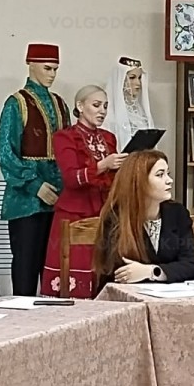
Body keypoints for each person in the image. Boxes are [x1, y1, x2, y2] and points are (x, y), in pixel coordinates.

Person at [93, 150, 194, 386]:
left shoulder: (177, 214)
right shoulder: (116, 216)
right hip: (129, 313)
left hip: (171, 308)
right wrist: (154, 273)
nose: (169, 180)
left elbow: (190, 265)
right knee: (139, 351)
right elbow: (117, 272)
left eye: (168, 173)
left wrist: (151, 271)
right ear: (140, 181)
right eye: (160, 175)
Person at [0, 43, 72, 296]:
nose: (52, 74)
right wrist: (34, 185)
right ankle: (22, 315)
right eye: (47, 68)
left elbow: (68, 151)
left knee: (55, 268)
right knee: (26, 266)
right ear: (31, 65)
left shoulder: (60, 104)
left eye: (55, 69)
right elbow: (6, 153)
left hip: (59, 200)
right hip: (26, 200)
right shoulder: (15, 103)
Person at [41, 85, 125, 298]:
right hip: (74, 214)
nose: (102, 111)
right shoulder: (65, 137)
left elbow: (111, 178)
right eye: (96, 105)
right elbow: (71, 178)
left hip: (104, 212)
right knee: (74, 270)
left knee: (103, 269)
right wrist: (103, 165)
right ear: (80, 106)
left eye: (105, 106)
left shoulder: (109, 138)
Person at [103, 56, 154, 152]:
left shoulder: (139, 112)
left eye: (139, 78)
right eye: (132, 78)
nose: (138, 83)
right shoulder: (108, 112)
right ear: (121, 79)